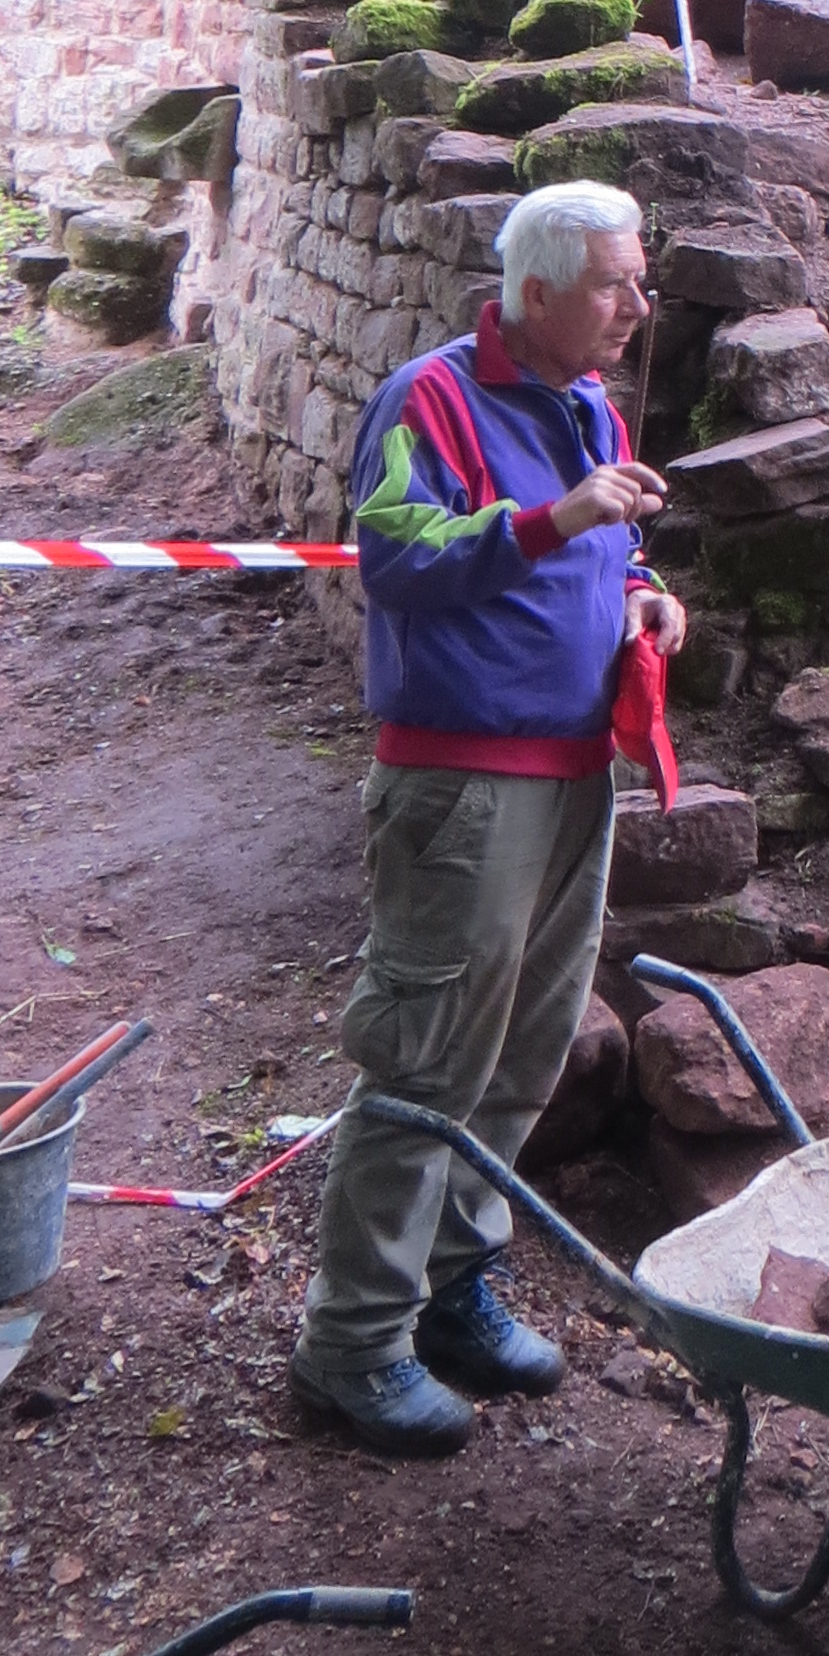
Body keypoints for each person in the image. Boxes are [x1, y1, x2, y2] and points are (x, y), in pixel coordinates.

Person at [288, 181, 684, 1459]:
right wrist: (555, 517)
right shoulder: (432, 398)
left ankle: (452, 1287)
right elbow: (396, 555)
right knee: (427, 1058)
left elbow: (600, 551)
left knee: (523, 1050)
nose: (638, 305)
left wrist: (640, 592)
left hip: (573, 774)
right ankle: (353, 1340)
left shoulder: (586, 400)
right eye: (617, 282)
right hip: (463, 786)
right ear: (538, 288)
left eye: (639, 280)